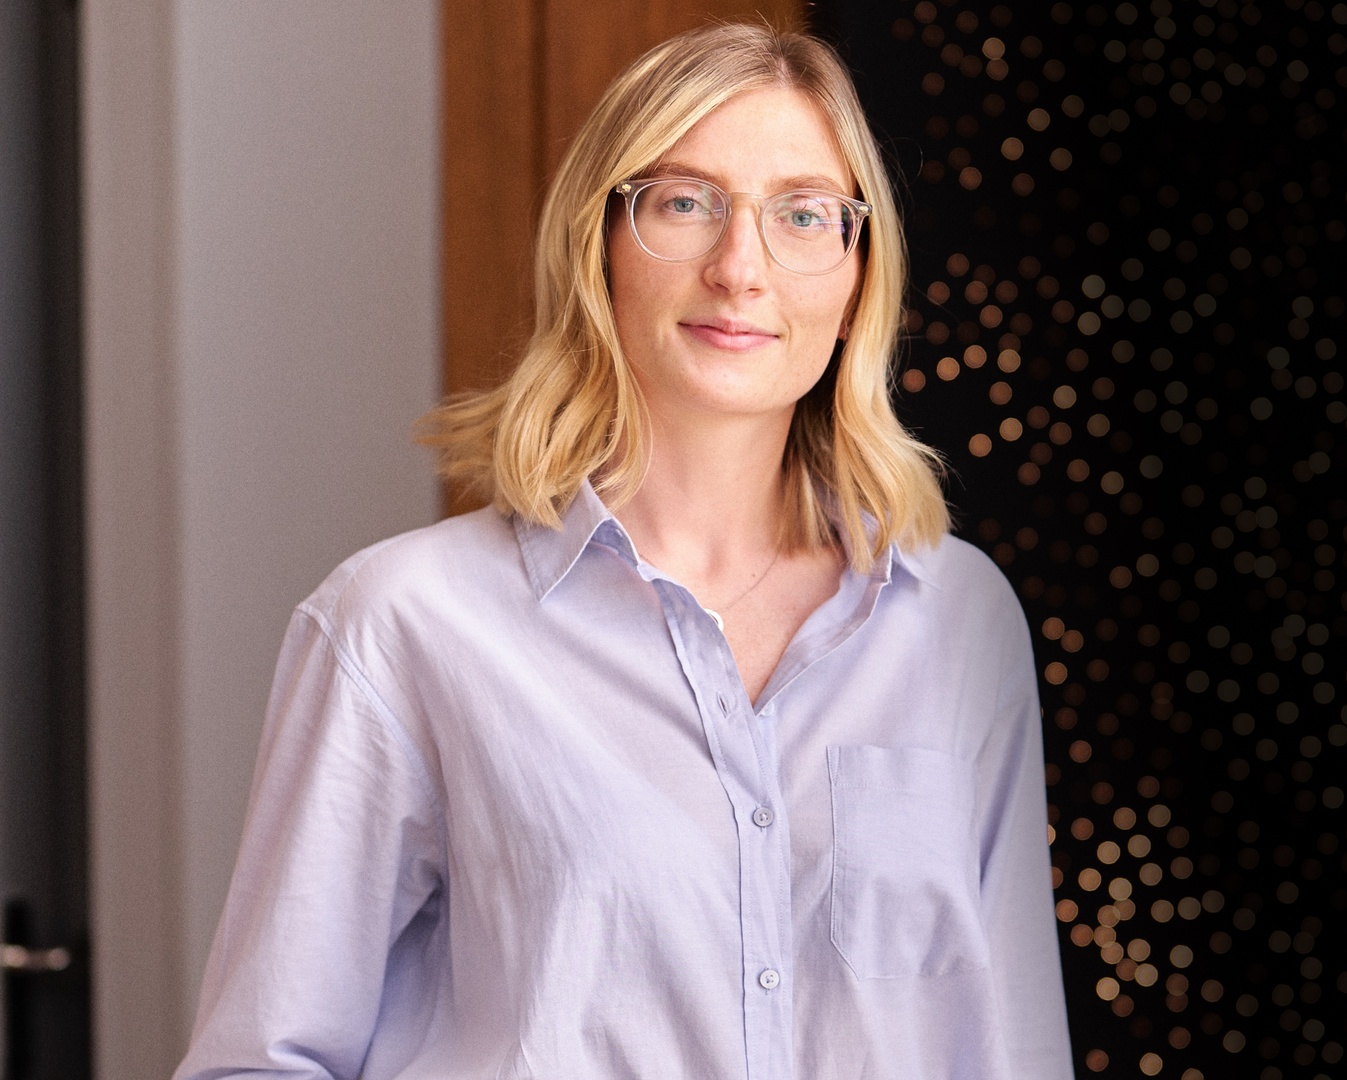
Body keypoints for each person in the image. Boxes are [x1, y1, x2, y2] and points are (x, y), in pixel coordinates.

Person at [174, 22, 1072, 1080]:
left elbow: (1010, 1045)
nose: (742, 267)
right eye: (684, 202)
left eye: (803, 215)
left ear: (856, 276)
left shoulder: (959, 617)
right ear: (599, 247)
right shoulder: (403, 624)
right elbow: (260, 1062)